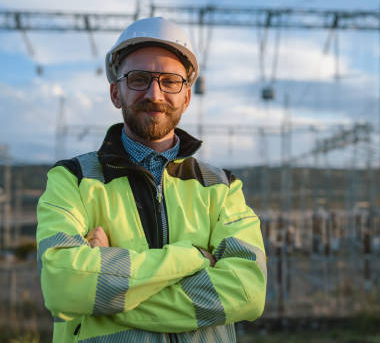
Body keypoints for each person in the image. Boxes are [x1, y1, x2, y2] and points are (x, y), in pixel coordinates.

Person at [36, 17, 267, 342]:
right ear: (116, 93)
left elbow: (248, 291)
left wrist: (103, 293)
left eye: (170, 81)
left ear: (186, 96)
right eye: (139, 79)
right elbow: (63, 285)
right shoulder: (72, 179)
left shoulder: (222, 187)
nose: (155, 93)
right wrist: (194, 258)